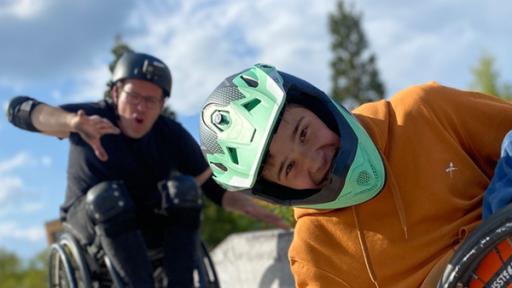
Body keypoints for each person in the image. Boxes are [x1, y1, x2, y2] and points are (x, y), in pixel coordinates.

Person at [199, 63, 512, 287]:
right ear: (277, 190)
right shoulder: (315, 255)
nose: (315, 161)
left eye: (304, 133)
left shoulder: (423, 110)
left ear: (316, 104)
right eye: (288, 168)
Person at [6, 54, 288, 288]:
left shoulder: (170, 134)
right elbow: (19, 109)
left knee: (186, 188)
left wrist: (262, 207)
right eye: (134, 96)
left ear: (162, 105)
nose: (141, 107)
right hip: (89, 228)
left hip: (147, 226)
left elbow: (212, 187)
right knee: (108, 197)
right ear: (116, 93)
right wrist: (70, 121)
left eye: (152, 100)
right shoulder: (89, 118)